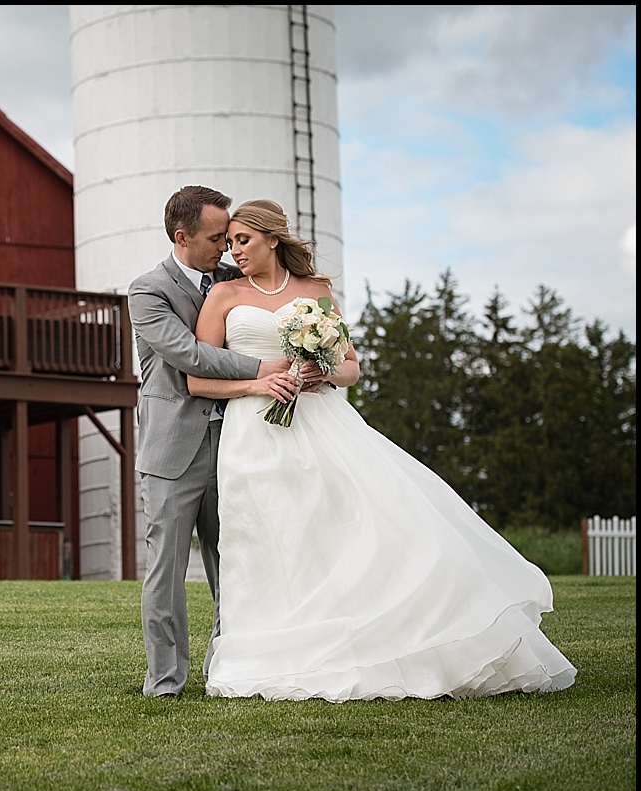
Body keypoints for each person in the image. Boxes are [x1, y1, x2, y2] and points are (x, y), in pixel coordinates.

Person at [187, 200, 576, 701]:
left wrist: (320, 371)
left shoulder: (316, 293)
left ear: (273, 239)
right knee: (266, 537)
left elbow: (350, 366)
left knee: (343, 530)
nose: (234, 250)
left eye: (244, 240)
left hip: (321, 422)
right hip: (253, 434)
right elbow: (198, 380)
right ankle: (272, 654)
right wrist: (255, 388)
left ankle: (374, 642)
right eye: (231, 242)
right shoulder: (222, 295)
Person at [128, 186, 295, 698]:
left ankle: (225, 667)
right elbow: (191, 357)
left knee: (235, 564)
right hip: (172, 450)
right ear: (182, 237)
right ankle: (165, 680)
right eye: (215, 238)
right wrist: (262, 369)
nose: (226, 247)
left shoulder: (230, 279)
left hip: (236, 445)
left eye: (230, 237)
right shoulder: (147, 291)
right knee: (166, 572)